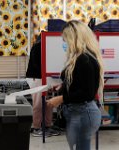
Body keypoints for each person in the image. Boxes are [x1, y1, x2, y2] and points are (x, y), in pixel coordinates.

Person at [47, 20, 104, 150]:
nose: (64, 43)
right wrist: (63, 87)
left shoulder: (85, 59)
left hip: (84, 113)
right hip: (77, 112)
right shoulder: (79, 58)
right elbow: (79, 82)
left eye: (65, 39)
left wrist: (61, 98)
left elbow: (87, 93)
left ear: (75, 39)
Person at [26, 33, 60, 137]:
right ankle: (36, 128)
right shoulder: (37, 47)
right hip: (37, 78)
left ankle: (47, 126)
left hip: (45, 77)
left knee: (48, 103)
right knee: (38, 103)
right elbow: (37, 65)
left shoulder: (47, 47)